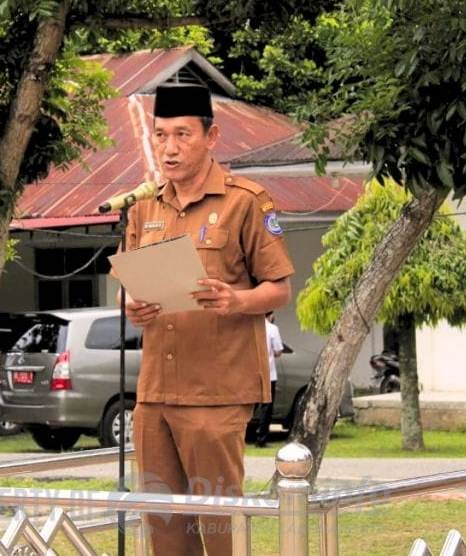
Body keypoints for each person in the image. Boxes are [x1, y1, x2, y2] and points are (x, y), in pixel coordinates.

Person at [121, 84, 294, 555]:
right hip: (155, 392)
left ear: (211, 136)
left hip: (216, 392)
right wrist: (131, 303)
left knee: (220, 529)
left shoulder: (245, 201)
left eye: (183, 135)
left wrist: (236, 300)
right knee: (164, 530)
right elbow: (128, 285)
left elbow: (279, 287)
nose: (169, 148)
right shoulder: (143, 207)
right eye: (160, 135)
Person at [254, 312, 284, 448]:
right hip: (268, 373)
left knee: (251, 405)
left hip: (252, 373)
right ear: (270, 315)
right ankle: (261, 439)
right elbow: (278, 351)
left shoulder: (252, 327)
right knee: (266, 407)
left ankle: (241, 434)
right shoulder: (272, 329)